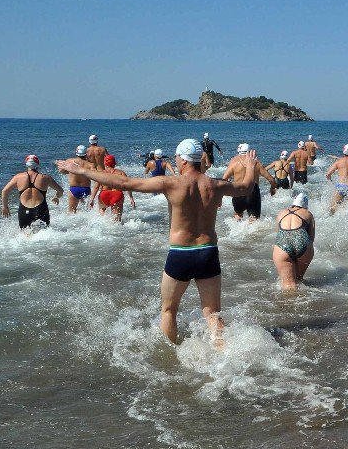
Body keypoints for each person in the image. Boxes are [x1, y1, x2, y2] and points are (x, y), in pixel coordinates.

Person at [56, 139, 259, 346]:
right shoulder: (215, 184)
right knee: (212, 312)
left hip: (181, 253)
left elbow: (125, 183)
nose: (177, 161)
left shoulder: (171, 183)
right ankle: (222, 354)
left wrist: (81, 171)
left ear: (184, 160)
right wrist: (250, 167)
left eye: (178, 158)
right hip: (208, 252)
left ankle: (169, 358)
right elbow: (245, 187)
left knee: (169, 310)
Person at [0, 155, 63, 229]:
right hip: (40, 210)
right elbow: (60, 190)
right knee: (43, 235)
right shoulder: (45, 178)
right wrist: (56, 197)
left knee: (26, 236)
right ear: (38, 164)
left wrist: (5, 207)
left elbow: (4, 191)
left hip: (24, 211)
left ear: (26, 164)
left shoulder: (18, 177)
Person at [273, 193, 315, 290]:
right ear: (305, 206)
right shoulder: (308, 213)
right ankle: (303, 302)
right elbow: (312, 238)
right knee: (298, 280)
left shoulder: (281, 212)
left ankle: (289, 304)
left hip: (283, 241)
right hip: (302, 241)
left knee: (288, 284)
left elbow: (278, 233)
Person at [223, 143, 276, 221]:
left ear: (239, 151)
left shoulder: (233, 163)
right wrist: (273, 188)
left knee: (238, 215)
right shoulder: (256, 163)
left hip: (238, 191)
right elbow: (271, 179)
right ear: (249, 151)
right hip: (253, 192)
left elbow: (223, 180)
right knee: (253, 220)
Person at [90, 154, 136, 222]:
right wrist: (131, 198)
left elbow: (96, 187)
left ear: (105, 163)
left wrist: (92, 199)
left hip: (104, 195)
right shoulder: (121, 173)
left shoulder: (101, 173)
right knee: (117, 220)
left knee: (101, 215)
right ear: (115, 163)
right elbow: (127, 186)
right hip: (117, 195)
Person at [65, 145, 95, 213]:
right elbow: (95, 176)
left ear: (76, 152)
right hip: (86, 189)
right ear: (86, 153)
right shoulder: (90, 165)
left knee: (71, 212)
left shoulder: (69, 161)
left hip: (74, 189)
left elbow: (62, 171)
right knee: (88, 212)